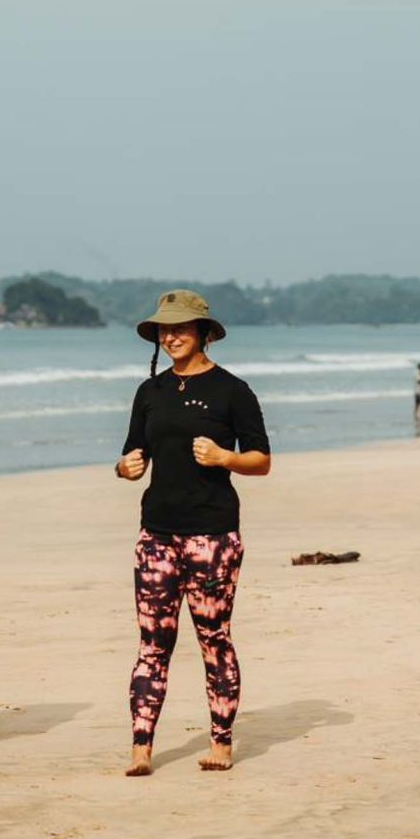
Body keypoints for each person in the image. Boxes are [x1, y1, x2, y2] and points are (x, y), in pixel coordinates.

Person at [116, 290, 271, 777]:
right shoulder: (150, 392)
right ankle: (141, 748)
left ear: (205, 332)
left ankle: (220, 743)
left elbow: (262, 460)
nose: (171, 336)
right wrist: (125, 467)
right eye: (165, 329)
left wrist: (226, 458)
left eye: (181, 327)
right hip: (156, 536)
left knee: (214, 640)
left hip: (212, 537)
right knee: (152, 644)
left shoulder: (233, 391)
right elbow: (130, 456)